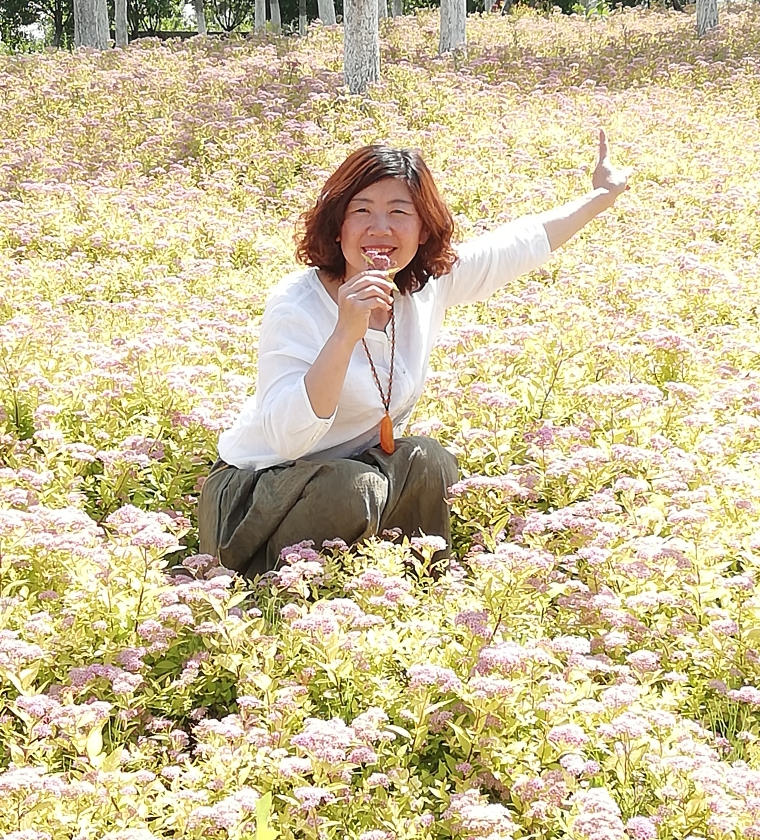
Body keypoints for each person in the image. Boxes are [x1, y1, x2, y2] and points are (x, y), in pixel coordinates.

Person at [199, 134, 628, 577]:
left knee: (427, 459)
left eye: (399, 213)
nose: (380, 229)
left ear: (423, 228)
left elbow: (518, 245)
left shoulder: (423, 285)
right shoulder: (296, 304)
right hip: (255, 502)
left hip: (343, 479)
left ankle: (417, 582)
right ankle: (277, 588)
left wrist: (601, 196)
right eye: (361, 210)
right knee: (354, 486)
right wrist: (346, 332)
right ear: (337, 225)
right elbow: (288, 439)